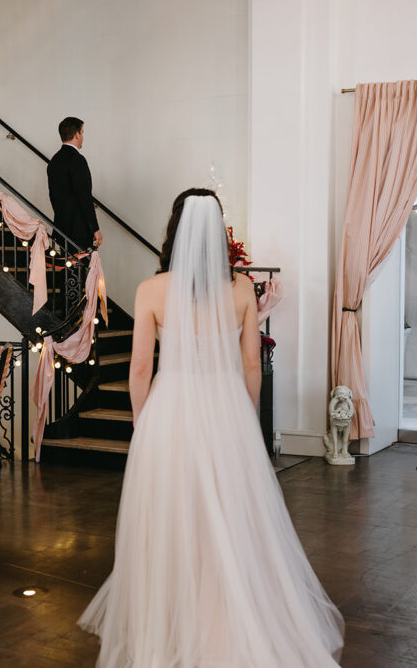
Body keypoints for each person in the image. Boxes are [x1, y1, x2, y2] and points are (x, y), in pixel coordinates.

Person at [78, 189, 344, 667]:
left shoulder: (150, 290)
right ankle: (225, 620)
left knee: (174, 520)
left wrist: (143, 422)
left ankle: (172, 626)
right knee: (230, 521)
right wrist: (243, 418)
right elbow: (250, 366)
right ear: (218, 233)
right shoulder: (241, 290)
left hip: (171, 413)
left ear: (175, 231)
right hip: (226, 411)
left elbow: (140, 369)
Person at [47, 116, 103, 251]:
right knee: (83, 270)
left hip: (61, 230)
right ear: (76, 134)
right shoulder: (77, 160)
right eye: (82, 132)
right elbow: (84, 196)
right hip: (80, 232)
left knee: (66, 270)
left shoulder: (54, 161)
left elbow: (53, 196)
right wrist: (95, 229)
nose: (83, 136)